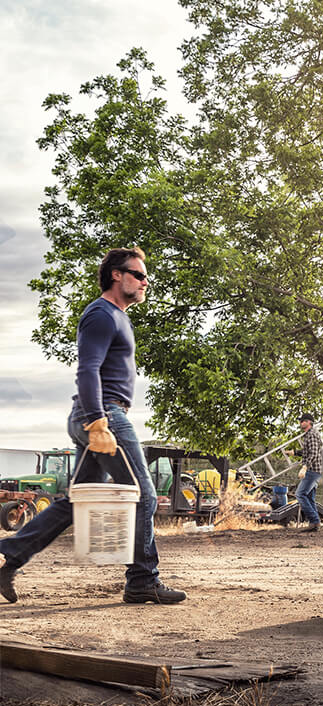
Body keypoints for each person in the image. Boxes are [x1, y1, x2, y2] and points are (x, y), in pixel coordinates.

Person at [0, 247, 185, 605]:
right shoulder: (101, 314)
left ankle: (9, 556)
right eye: (139, 274)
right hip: (103, 415)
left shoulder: (118, 317)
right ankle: (143, 580)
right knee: (143, 495)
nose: (146, 282)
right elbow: (87, 369)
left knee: (78, 501)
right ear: (117, 275)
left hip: (96, 414)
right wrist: (98, 421)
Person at [293, 413, 323, 532]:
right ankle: (315, 524)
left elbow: (314, 454)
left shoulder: (312, 435)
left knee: (300, 494)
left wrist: (305, 467)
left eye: (303, 421)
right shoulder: (309, 435)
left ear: (309, 422)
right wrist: (295, 453)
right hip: (314, 470)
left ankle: (314, 521)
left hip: (312, 470)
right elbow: (308, 452)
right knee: (310, 497)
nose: (300, 423)